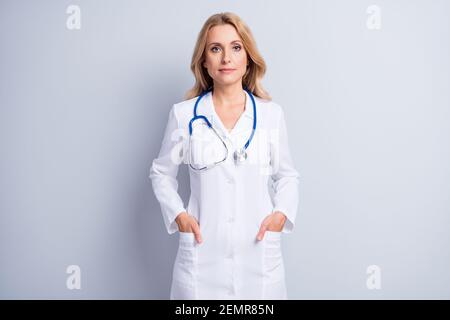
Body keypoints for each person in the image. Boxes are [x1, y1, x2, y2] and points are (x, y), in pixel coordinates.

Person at [149, 12, 300, 300]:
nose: (226, 58)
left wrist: (280, 214)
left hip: (258, 259)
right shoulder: (184, 116)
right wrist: (179, 215)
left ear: (247, 58)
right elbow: (161, 173)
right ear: (204, 61)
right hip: (201, 259)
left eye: (236, 47)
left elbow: (288, 175)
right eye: (215, 49)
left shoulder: (270, 115)